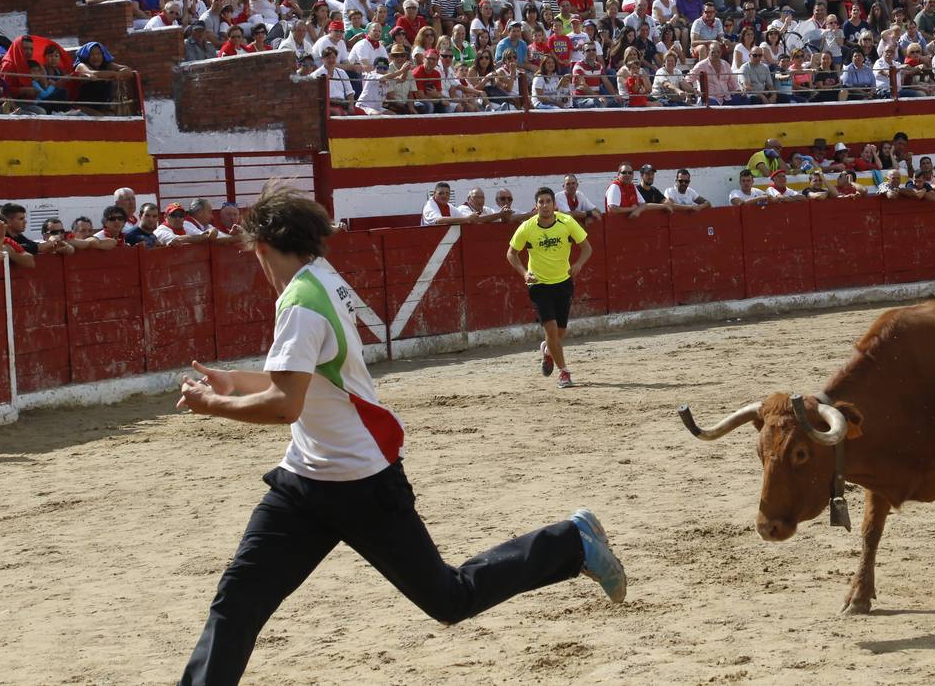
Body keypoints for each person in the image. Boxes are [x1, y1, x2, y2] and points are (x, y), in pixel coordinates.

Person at [178, 183, 624, 683]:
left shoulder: (301, 302)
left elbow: (286, 405)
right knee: (237, 601)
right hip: (304, 480)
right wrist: (235, 382)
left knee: (450, 598)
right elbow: (313, 379)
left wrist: (213, 403)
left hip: (362, 482)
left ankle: (570, 542)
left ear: (259, 249)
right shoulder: (321, 280)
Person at [506, 185, 594, 389]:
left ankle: (547, 351)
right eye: (541, 202)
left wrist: (579, 264)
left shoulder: (567, 222)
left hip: (563, 282)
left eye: (548, 202)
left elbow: (587, 248)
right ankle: (564, 372)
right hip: (539, 285)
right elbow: (511, 253)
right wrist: (524, 273)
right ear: (536, 206)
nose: (545, 205)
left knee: (560, 332)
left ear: (554, 204)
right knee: (552, 330)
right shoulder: (527, 227)